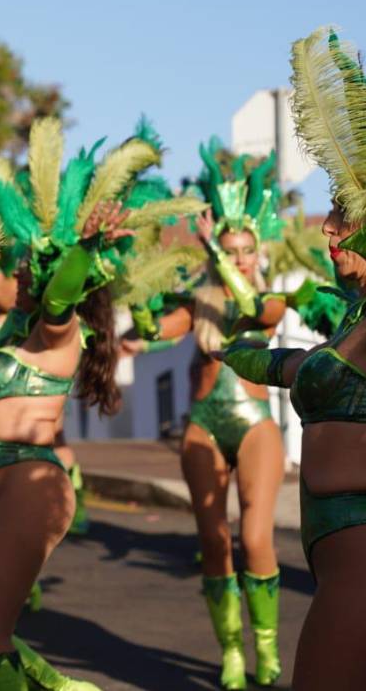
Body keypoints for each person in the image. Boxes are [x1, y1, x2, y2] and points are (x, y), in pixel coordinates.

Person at [222, 0, 366, 688]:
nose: (326, 231)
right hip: (339, 548)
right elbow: (304, 369)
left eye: (341, 220)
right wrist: (235, 352)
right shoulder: (360, 314)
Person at [0, 117, 184, 689]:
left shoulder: (60, 337)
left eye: (28, 262)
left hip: (30, 488)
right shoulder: (19, 331)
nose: (19, 265)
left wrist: (86, 247)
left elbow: (64, 293)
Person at [122, 144, 290, 689]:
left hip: (255, 425)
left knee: (256, 537)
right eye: (231, 249)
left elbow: (253, 309)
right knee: (213, 539)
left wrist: (217, 256)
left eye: (246, 250)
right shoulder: (199, 306)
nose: (240, 258)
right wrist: (141, 303)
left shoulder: (269, 300)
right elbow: (154, 331)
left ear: (256, 252)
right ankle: (232, 651)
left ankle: (267, 645)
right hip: (204, 424)